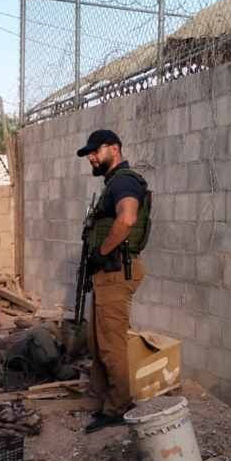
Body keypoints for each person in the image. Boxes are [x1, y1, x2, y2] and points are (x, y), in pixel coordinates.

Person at [77, 128, 150, 433]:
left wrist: (102, 253)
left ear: (114, 149)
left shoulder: (124, 181)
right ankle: (105, 399)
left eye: (96, 151)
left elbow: (127, 218)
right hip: (109, 272)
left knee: (111, 344)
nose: (92, 157)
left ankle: (118, 407)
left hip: (116, 270)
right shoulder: (114, 182)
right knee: (99, 340)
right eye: (89, 153)